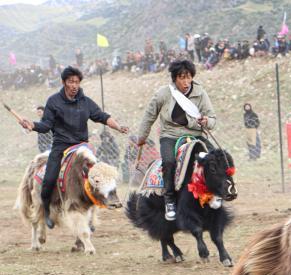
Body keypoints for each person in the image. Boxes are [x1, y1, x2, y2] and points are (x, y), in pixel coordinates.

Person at [18, 66, 128, 228]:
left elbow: (102, 117)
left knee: (99, 173)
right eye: (71, 82)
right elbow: (46, 125)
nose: (74, 85)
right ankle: (47, 209)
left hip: (82, 146)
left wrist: (118, 127)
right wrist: (32, 125)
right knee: (49, 179)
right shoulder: (53, 101)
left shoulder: (86, 102)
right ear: (64, 82)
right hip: (61, 146)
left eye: (77, 82)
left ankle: (104, 203)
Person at [136, 59, 217, 221]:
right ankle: (170, 200)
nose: (186, 82)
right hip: (170, 135)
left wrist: (207, 121)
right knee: (169, 162)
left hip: (196, 134)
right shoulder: (164, 94)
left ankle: (215, 192)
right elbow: (149, 116)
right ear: (174, 79)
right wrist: (142, 137)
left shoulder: (200, 93)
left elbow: (212, 119)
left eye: (189, 77)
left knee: (216, 157)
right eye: (181, 77)